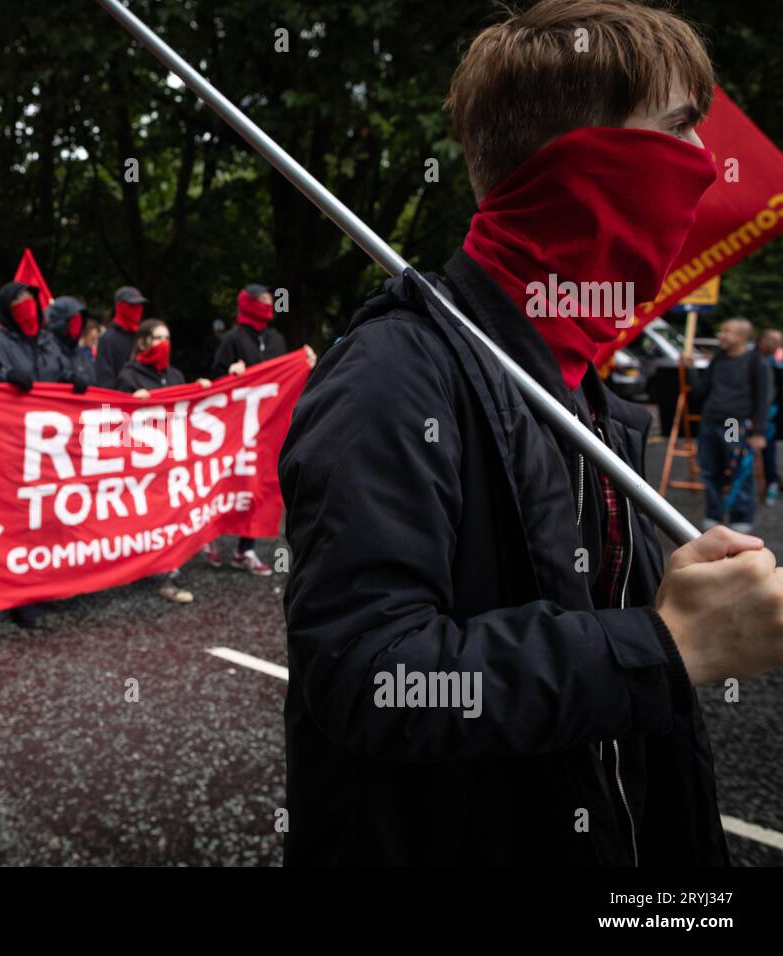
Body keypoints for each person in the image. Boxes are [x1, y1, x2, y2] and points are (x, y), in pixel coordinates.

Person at [280, 0, 783, 866]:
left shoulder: (581, 378)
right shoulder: (392, 375)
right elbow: (371, 677)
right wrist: (664, 648)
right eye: (676, 131)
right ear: (583, 164)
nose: (706, 165)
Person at [0, 281, 78, 628]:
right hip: (13, 447)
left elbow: (63, 374)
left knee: (49, 520)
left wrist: (74, 380)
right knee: (19, 524)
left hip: (51, 448)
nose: (26, 306)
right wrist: (4, 376)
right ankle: (21, 596)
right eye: (17, 302)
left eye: (29, 299)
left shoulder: (50, 342)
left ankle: (46, 586)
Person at [204, 285, 317, 574]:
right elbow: (216, 379)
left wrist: (302, 364)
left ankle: (246, 549)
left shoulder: (276, 338)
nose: (270, 304)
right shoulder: (232, 339)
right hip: (234, 427)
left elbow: (282, 377)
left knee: (259, 484)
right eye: (264, 301)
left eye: (272, 300)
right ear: (248, 304)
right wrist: (230, 374)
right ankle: (208, 536)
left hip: (265, 428)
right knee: (226, 482)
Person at [115, 317, 212, 604]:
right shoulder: (128, 377)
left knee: (170, 514)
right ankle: (150, 570)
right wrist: (132, 402)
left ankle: (167, 570)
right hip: (142, 463)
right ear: (143, 342)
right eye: (158, 338)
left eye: (167, 338)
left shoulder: (176, 376)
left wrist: (201, 391)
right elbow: (113, 424)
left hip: (172, 460)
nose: (163, 344)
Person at [687, 318, 772, 532]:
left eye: (727, 331)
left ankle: (740, 517)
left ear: (742, 337)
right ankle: (714, 514)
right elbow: (700, 391)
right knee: (709, 470)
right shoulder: (719, 360)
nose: (720, 335)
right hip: (709, 422)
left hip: (733, 423)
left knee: (736, 469)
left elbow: (764, 398)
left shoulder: (756, 362)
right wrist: (690, 370)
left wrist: (759, 432)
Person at [94, 286, 148, 388]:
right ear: (120, 307)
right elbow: (104, 383)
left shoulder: (142, 336)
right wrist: (107, 405)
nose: (138, 309)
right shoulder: (107, 340)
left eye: (139, 305)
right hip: (119, 401)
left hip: (144, 400)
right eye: (132, 305)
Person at [753, 327, 783, 504]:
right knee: (731, 445)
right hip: (734, 417)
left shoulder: (775, 364)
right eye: (773, 339)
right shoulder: (746, 361)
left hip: (765, 416)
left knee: (767, 449)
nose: (777, 344)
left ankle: (771, 482)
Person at [45, 295, 94, 393]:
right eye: (74, 320)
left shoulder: (81, 356)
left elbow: (95, 383)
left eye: (80, 321)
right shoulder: (45, 352)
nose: (78, 325)